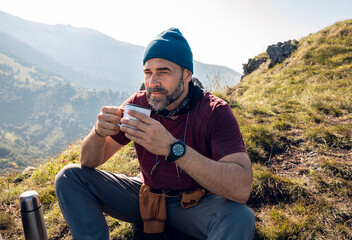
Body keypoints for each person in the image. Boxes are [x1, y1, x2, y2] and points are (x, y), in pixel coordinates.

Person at [55, 28, 255, 240]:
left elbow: (241, 189)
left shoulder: (215, 111)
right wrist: (98, 132)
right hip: (146, 198)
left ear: (187, 75)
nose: (152, 82)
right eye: (148, 72)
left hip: (195, 205)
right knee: (69, 177)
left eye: (163, 71)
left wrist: (173, 148)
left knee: (240, 217)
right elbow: (88, 161)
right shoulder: (139, 104)